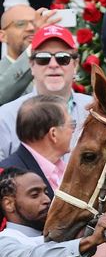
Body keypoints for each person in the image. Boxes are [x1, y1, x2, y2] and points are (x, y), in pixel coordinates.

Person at [0, 26, 92, 160]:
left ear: (75, 65)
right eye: (43, 58)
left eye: (63, 58)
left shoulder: (94, 110)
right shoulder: (5, 117)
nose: (53, 65)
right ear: (31, 65)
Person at [3, 95, 72, 199]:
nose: (73, 131)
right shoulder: (8, 178)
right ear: (53, 134)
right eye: (72, 125)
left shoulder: (63, 169)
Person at [0, 5, 61, 106]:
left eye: (34, 23)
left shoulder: (55, 67)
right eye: (21, 24)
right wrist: (35, 46)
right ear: (3, 36)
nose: (32, 28)